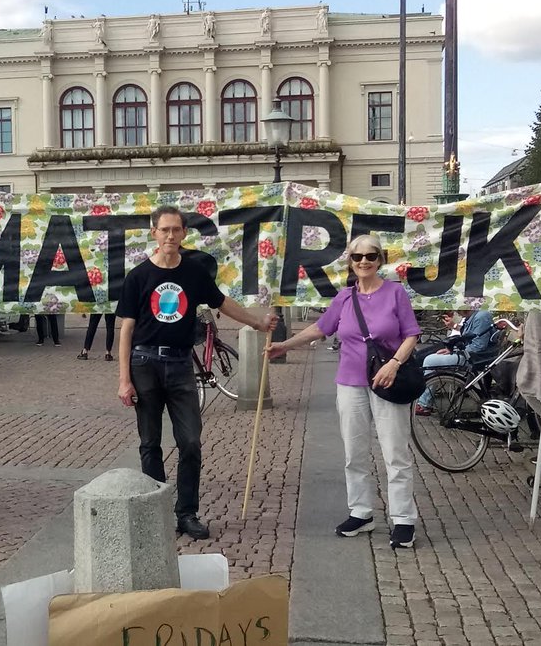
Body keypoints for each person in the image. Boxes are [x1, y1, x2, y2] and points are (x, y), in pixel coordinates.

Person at [116, 205, 276, 540]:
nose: (170, 236)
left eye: (176, 230)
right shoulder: (139, 277)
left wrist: (257, 322)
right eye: (164, 230)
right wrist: (124, 379)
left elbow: (223, 303)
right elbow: (126, 329)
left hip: (179, 364)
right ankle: (155, 509)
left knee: (190, 441)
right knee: (150, 443)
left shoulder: (193, 273)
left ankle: (186, 512)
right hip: (144, 363)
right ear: (154, 233)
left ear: (184, 234)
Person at [268, 234, 422, 549]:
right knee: (354, 453)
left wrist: (393, 364)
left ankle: (404, 519)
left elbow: (411, 335)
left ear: (380, 259)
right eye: (357, 257)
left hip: (386, 380)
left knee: (395, 452)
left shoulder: (395, 293)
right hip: (350, 382)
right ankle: (362, 512)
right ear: (350, 262)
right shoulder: (345, 297)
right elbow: (321, 328)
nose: (364, 261)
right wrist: (284, 344)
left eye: (370, 255)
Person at [414, 308, 495, 415]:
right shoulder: (472, 317)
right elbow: (470, 335)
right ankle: (422, 397)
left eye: (457, 309)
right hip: (466, 353)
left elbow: (478, 346)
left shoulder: (481, 317)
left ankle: (424, 404)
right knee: (426, 356)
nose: (456, 311)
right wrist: (454, 327)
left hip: (474, 357)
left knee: (431, 360)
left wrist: (455, 350)